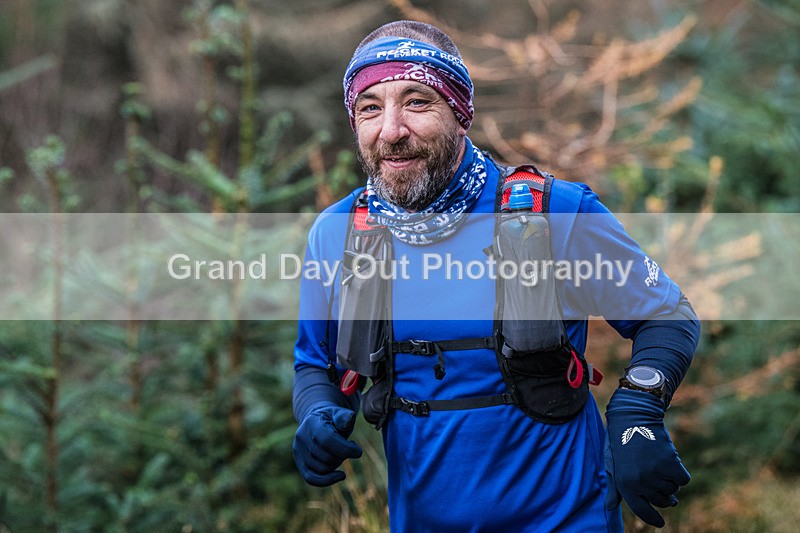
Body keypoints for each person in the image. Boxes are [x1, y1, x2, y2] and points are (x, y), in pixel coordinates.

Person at [291, 20, 700, 532]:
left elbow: (666, 314)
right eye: (370, 107)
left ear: (460, 112)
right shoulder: (338, 235)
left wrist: (638, 410)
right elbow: (314, 367)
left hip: (567, 519)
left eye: (417, 101)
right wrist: (315, 415)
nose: (391, 130)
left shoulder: (557, 212)